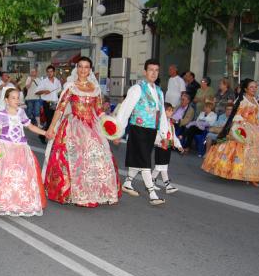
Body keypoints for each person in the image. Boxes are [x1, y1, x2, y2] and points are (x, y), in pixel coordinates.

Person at [43, 57, 121, 206]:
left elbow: (100, 111)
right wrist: (51, 128)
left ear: (90, 70)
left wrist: (112, 132)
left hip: (92, 126)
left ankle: (95, 192)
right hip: (74, 125)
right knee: (75, 159)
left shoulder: (95, 88)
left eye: (86, 67)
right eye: (80, 66)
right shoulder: (71, 87)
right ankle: (76, 193)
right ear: (76, 68)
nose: (83, 70)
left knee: (98, 156)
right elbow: (60, 108)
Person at [0, 88, 48, 216]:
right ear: (6, 100)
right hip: (6, 148)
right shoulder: (2, 114)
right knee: (4, 175)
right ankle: (4, 200)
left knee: (22, 175)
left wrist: (45, 133)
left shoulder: (21, 112)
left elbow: (30, 126)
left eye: (18, 98)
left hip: (21, 148)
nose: (16, 100)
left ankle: (22, 200)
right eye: (13, 98)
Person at [115, 58, 169, 205]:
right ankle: (152, 193)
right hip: (138, 129)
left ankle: (128, 183)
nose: (154, 73)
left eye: (156, 70)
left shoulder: (159, 91)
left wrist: (164, 134)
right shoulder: (137, 89)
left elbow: (162, 114)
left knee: (140, 158)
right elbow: (125, 110)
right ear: (145, 72)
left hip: (151, 130)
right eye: (151, 70)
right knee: (145, 161)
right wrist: (118, 132)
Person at [202, 78, 259, 186]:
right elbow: (236, 115)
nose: (254, 89)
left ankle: (252, 175)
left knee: (255, 152)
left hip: (255, 129)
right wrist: (237, 129)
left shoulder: (254, 99)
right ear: (246, 89)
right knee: (235, 150)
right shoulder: (242, 100)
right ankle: (228, 171)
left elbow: (255, 115)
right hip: (243, 127)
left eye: (255, 87)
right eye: (251, 87)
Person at [153, 102, 183, 194]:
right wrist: (161, 139)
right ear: (163, 111)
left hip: (168, 147)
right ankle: (167, 186)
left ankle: (151, 181)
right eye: (169, 110)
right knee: (162, 166)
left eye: (172, 110)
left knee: (160, 166)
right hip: (161, 146)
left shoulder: (170, 123)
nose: (171, 112)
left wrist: (179, 146)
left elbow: (173, 136)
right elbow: (156, 135)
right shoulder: (159, 123)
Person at [36, 65, 62, 144]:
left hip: (55, 103)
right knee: (50, 121)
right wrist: (44, 91)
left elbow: (59, 91)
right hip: (47, 103)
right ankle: (42, 135)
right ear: (46, 72)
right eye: (48, 72)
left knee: (55, 121)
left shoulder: (57, 81)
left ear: (54, 72)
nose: (50, 73)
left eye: (51, 71)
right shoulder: (43, 81)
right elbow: (37, 92)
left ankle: (50, 137)